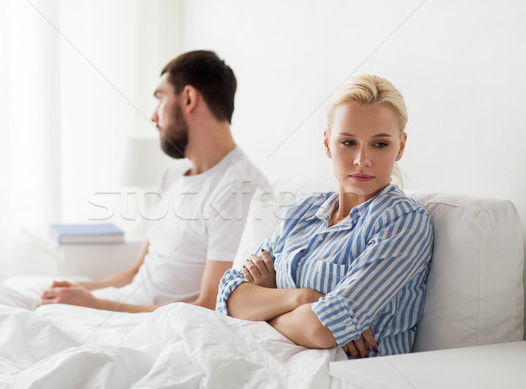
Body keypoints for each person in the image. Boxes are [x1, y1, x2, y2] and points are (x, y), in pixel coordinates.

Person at [216, 74, 433, 358]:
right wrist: (304, 297)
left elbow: (323, 330)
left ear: (400, 147)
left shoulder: (402, 222)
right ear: (328, 144)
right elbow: (229, 297)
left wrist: (266, 304)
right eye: (348, 142)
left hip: (344, 376)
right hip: (265, 357)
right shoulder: (305, 211)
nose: (361, 160)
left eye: (379, 144)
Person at [38, 50, 269, 313]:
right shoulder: (173, 175)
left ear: (189, 98)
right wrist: (79, 291)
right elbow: (136, 273)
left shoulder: (238, 189)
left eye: (160, 98)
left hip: (153, 323)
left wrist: (97, 305)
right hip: (127, 304)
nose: (153, 116)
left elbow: (208, 307)